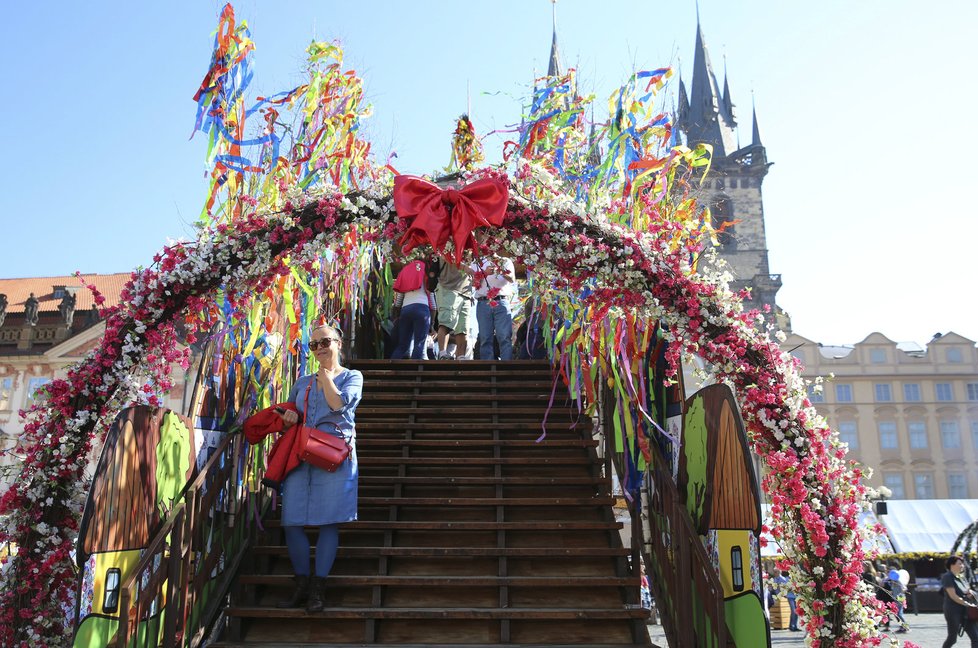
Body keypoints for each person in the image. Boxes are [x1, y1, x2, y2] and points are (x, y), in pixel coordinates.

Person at [276, 324, 364, 612]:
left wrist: (327, 377)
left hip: (334, 458)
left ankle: (318, 587)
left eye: (325, 341)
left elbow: (339, 405)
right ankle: (301, 582)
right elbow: (292, 412)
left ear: (338, 342)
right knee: (291, 521)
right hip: (301, 456)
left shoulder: (352, 377)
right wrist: (288, 415)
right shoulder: (301, 382)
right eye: (313, 345)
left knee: (328, 521)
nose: (319, 348)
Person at [472, 254, 516, 361]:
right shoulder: (477, 261)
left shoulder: (505, 260)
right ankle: (488, 368)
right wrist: (484, 273)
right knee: (485, 337)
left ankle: (506, 366)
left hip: (501, 301)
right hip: (483, 302)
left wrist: (501, 270)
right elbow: (473, 283)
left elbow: (512, 279)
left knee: (504, 335)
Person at [391, 260, 436, 360]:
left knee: (403, 345)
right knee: (419, 343)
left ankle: (391, 369)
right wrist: (431, 323)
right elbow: (433, 305)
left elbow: (398, 302)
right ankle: (415, 372)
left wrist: (396, 316)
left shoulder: (405, 274)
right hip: (422, 310)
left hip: (405, 310)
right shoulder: (426, 275)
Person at [434, 260, 473, 360]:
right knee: (446, 322)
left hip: (466, 293)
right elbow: (447, 257)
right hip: (449, 287)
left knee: (463, 328)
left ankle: (461, 356)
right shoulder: (447, 245)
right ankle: (442, 354)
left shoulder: (471, 250)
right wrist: (465, 267)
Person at [942, 555, 978, 648]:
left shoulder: (961, 577)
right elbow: (953, 596)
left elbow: (966, 591)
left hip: (967, 611)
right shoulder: (947, 577)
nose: (962, 565)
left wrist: (970, 595)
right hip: (953, 611)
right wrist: (967, 603)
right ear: (952, 565)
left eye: (962, 564)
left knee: (976, 637)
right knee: (952, 638)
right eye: (960, 563)